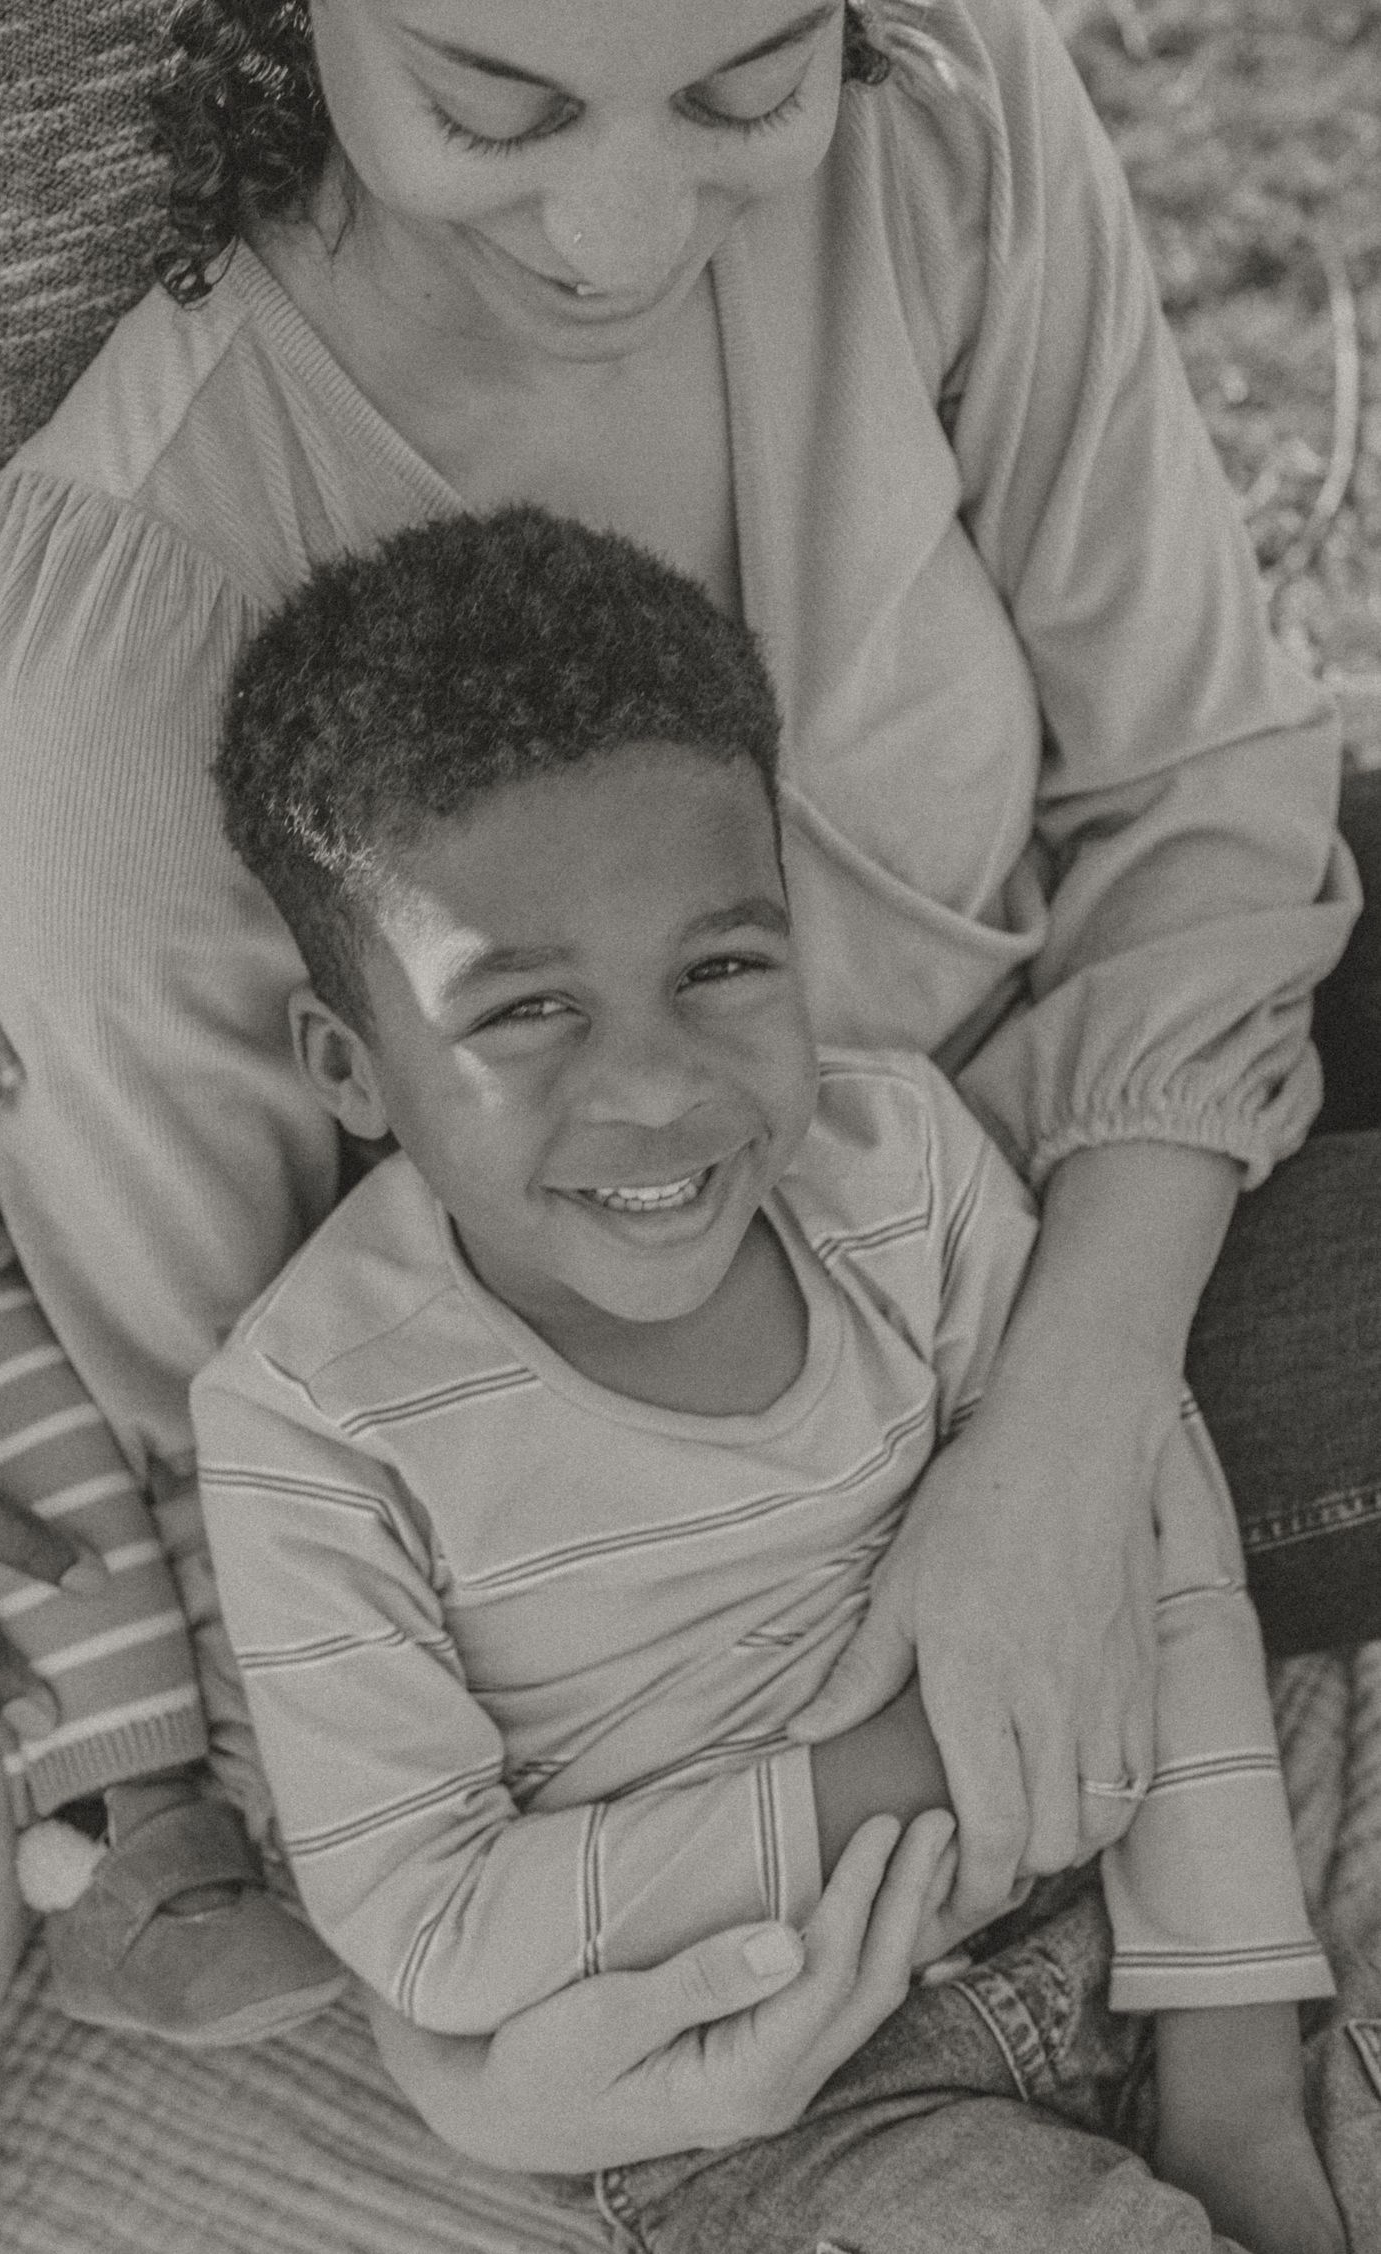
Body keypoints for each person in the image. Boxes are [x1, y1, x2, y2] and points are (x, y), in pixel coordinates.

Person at [0, 0, 1373, 2218]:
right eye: (498, 105)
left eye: (748, 89)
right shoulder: (130, 604)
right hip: (693, 1575)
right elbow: (266, 1488)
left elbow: (1207, 798)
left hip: (1080, 1218)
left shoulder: (937, 92)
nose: (628, 224)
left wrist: (1055, 1443)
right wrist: (495, 2057)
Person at [195, 504, 1343, 2254]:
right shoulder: (311, 1424)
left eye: (722, 966)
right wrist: (908, 1764)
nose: (656, 1089)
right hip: (778, 2099)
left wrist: (1238, 2076)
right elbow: (433, 1926)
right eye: (523, 1014)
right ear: (350, 1065)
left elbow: (1146, 1548)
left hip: (1139, 1930)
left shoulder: (911, 1174)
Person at [0, 728, 346, 2051]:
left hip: (21, 1172)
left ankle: (303, 1755)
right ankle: (137, 1852)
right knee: (48, 1509)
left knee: (217, 1393)